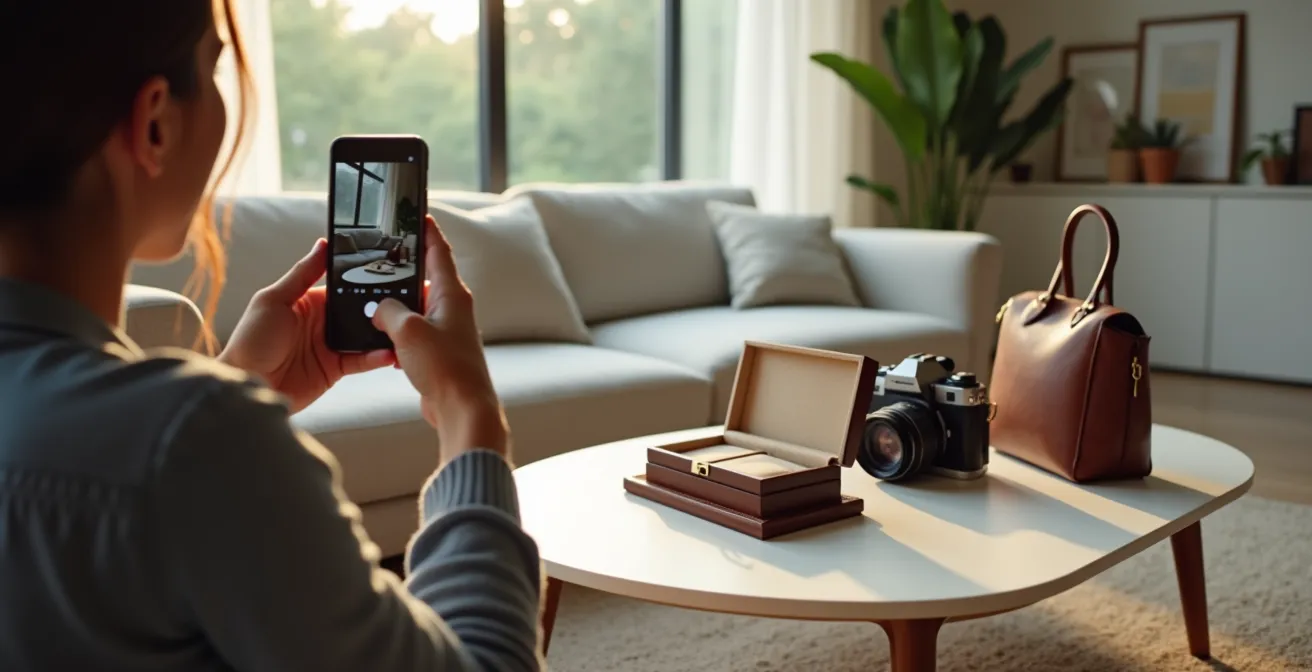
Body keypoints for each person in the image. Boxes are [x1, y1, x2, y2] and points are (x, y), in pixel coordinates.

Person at [0, 2, 544, 670]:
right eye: (214, 68)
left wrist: (238, 381)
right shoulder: (200, 440)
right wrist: (469, 412)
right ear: (155, 123)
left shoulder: (182, 438)